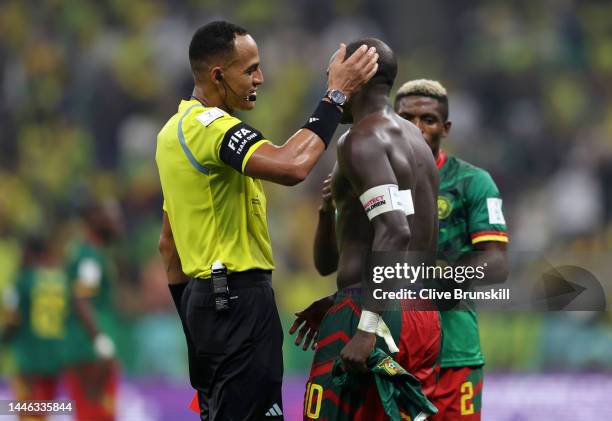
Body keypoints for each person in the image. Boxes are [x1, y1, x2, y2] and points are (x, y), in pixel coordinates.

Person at [155, 21, 379, 421]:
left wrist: (195, 323)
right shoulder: (209, 127)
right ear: (217, 75)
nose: (261, 78)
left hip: (209, 305)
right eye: (250, 69)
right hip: (237, 300)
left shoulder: (172, 133)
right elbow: (292, 166)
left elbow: (169, 246)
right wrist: (336, 93)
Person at [290, 38, 441, 421]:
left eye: (335, 72)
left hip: (374, 314)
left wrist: (365, 324)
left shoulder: (360, 140)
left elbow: (394, 231)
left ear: (358, 76)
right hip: (421, 314)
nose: (328, 81)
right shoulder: (418, 145)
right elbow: (400, 232)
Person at [394, 79, 509, 420]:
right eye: (406, 119)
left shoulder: (473, 182)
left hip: (453, 353)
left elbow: (497, 264)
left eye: (428, 120)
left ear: (445, 128)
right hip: (390, 353)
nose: (416, 128)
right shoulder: (371, 178)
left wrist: (431, 279)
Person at [62, 199, 123, 421]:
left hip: (91, 348)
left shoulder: (94, 253)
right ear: (95, 218)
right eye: (113, 216)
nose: (119, 222)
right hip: (89, 350)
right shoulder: (89, 256)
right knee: (94, 412)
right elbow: (81, 300)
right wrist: (101, 342)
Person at [1, 234, 69, 421]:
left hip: (28, 360)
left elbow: (11, 320)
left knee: (29, 413)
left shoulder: (22, 282)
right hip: (54, 360)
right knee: (42, 412)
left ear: (28, 252)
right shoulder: (61, 280)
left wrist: (4, 340)